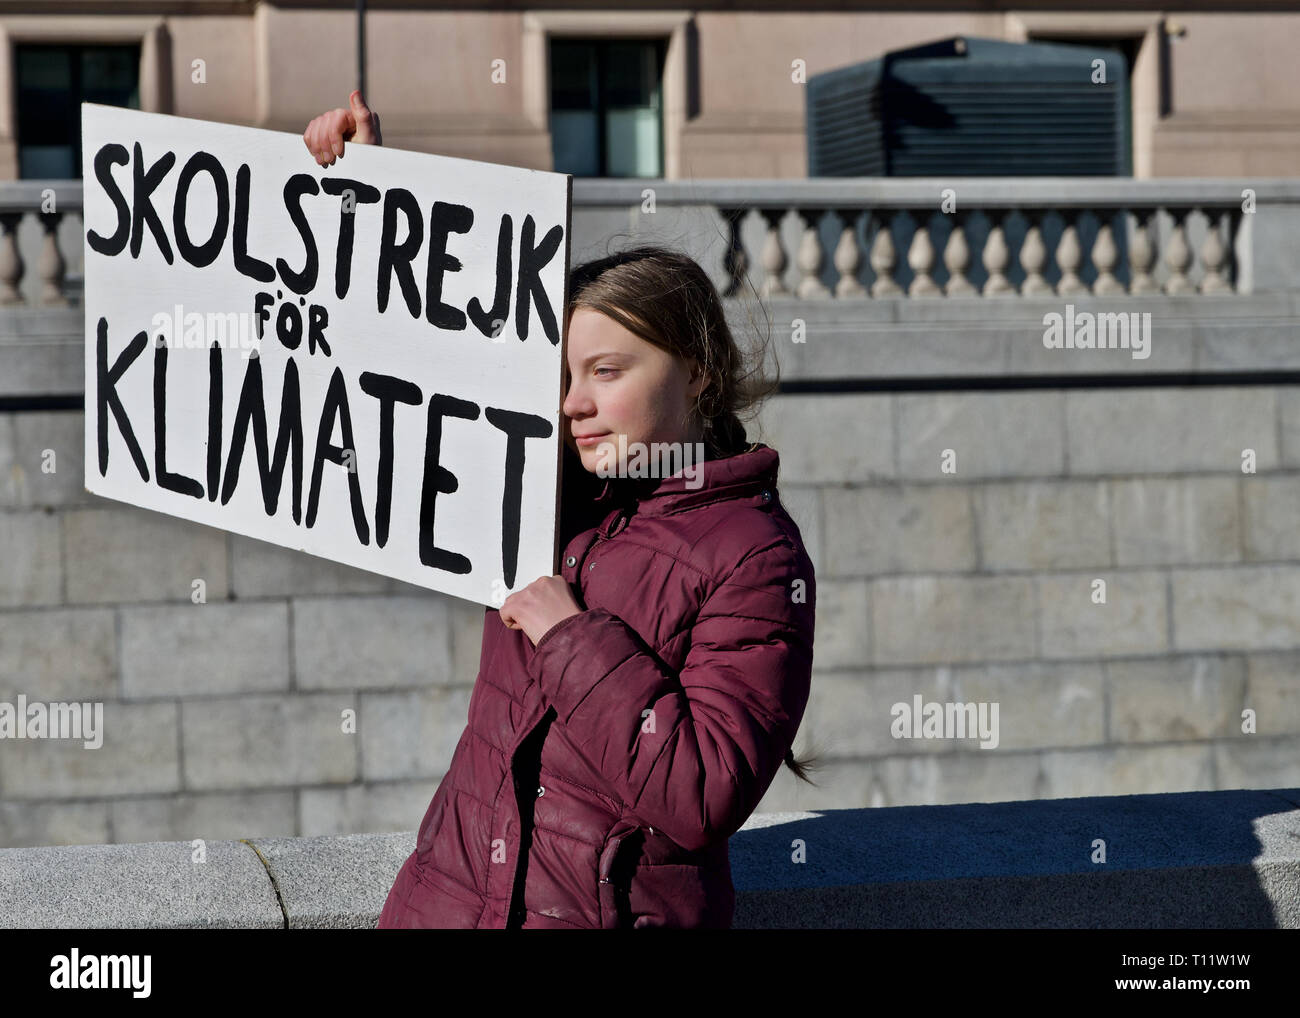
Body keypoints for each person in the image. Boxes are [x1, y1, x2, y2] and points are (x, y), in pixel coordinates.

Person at [304, 96, 820, 928]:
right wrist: (376, 188)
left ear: (694, 372)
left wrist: (569, 634)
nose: (573, 404)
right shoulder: (543, 487)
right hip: (445, 908)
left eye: (606, 372)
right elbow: (415, 376)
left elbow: (701, 792)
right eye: (564, 377)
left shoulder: (756, 555)